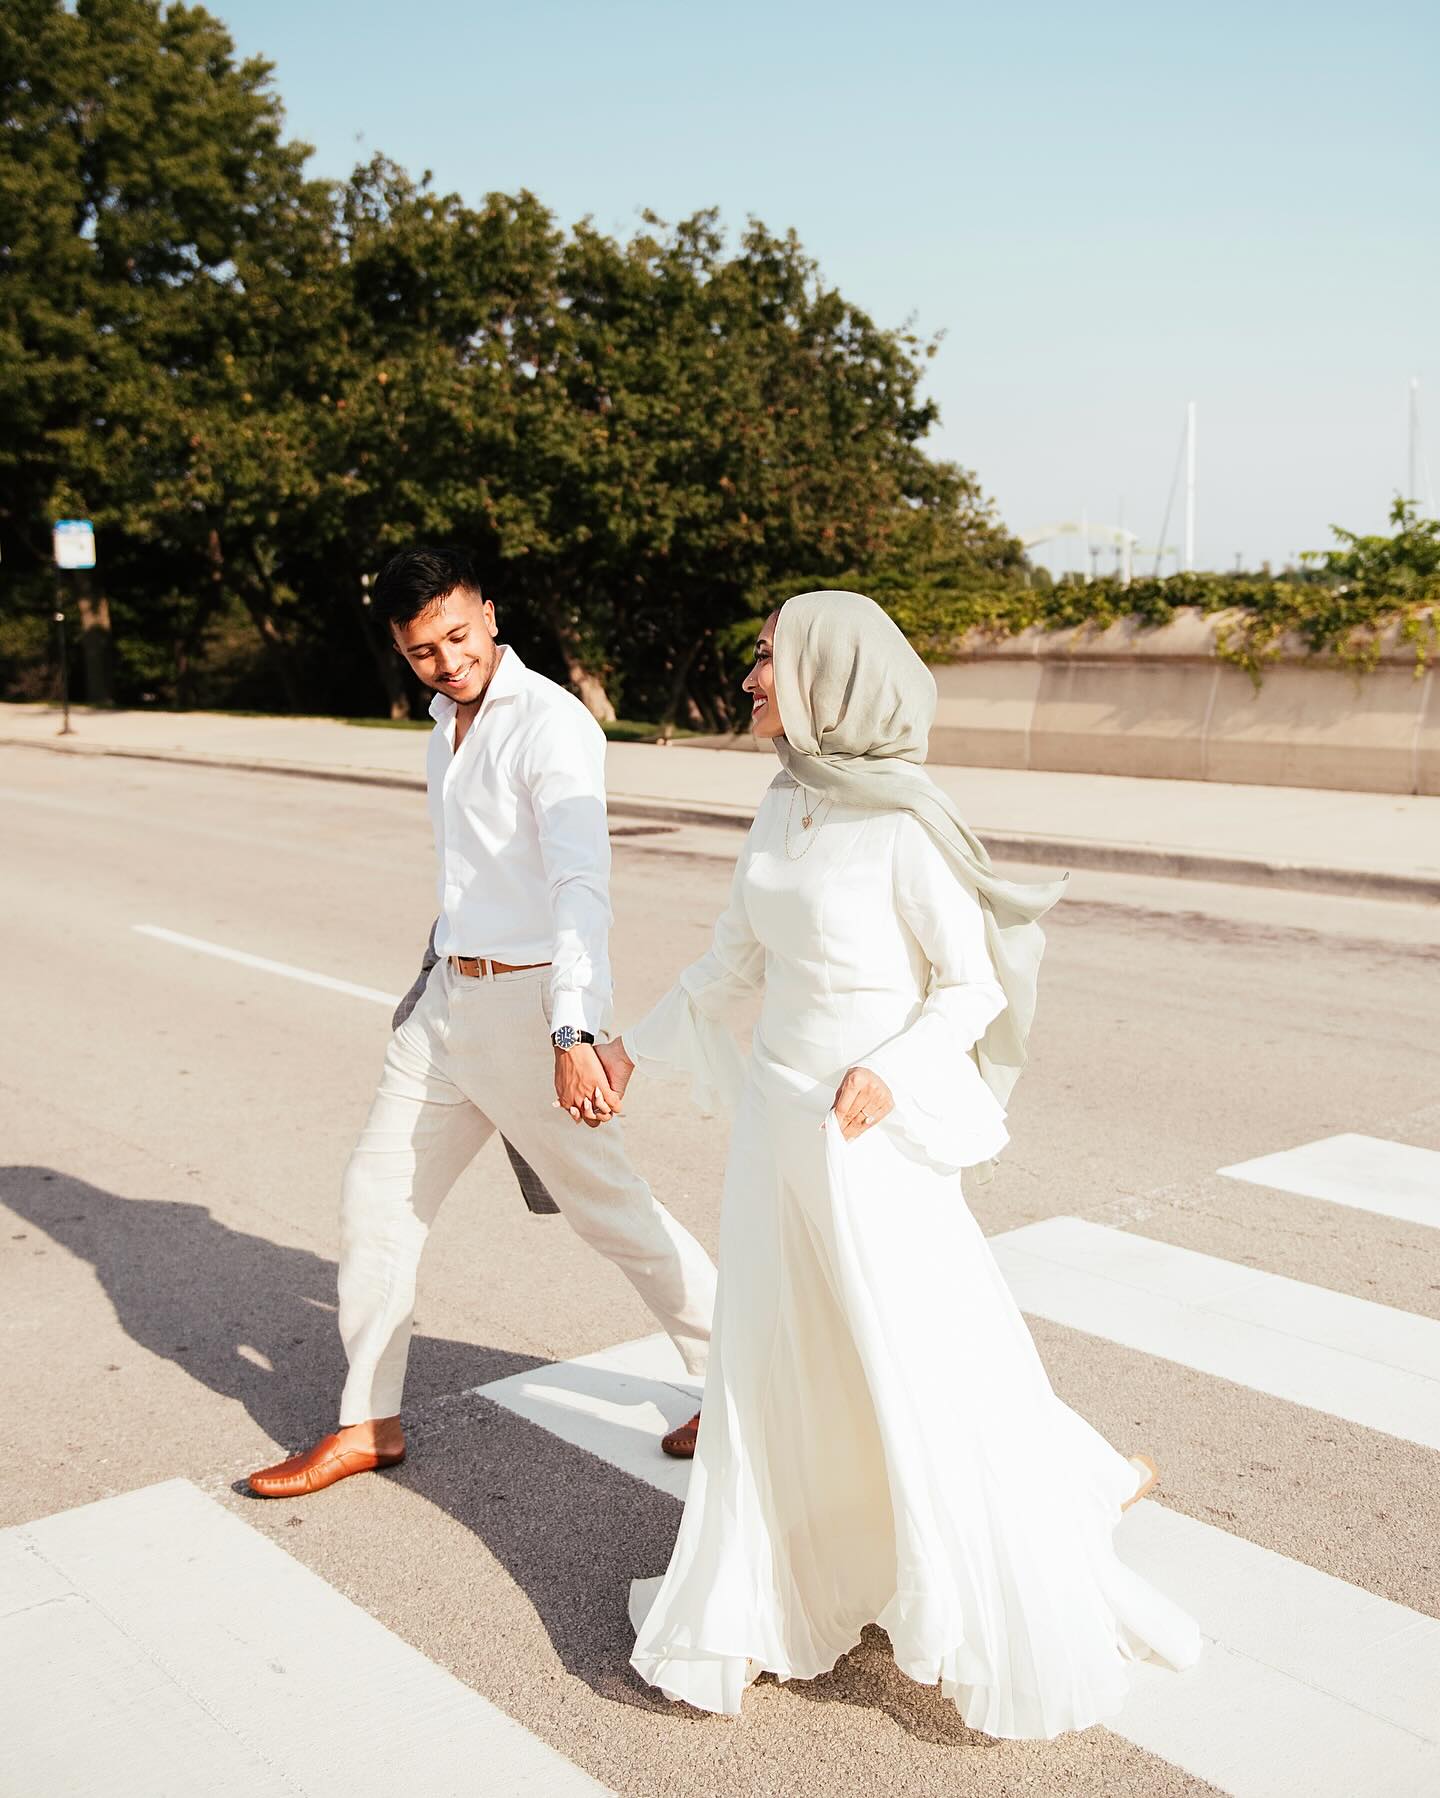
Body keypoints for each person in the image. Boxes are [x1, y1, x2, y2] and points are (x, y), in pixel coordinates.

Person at [596, 590, 1202, 1739]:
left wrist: (893, 1068)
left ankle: (1052, 1499)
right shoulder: (785, 803)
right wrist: (627, 1048)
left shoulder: (906, 822)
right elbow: (732, 961)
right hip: (777, 1128)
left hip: (864, 1133)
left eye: (767, 660)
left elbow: (967, 985)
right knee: (783, 1356)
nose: (750, 680)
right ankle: (779, 1590)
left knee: (916, 1349)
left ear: (829, 675)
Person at [248, 546, 716, 1498]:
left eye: (458, 637)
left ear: (491, 615)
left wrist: (574, 1032)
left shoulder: (550, 725)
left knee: (612, 1212)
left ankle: (741, 1382)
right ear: (400, 648)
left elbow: (581, 885)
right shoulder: (440, 725)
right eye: (423, 650)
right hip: (447, 1006)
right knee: (375, 1201)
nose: (447, 662)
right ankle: (366, 1422)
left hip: (531, 1007)